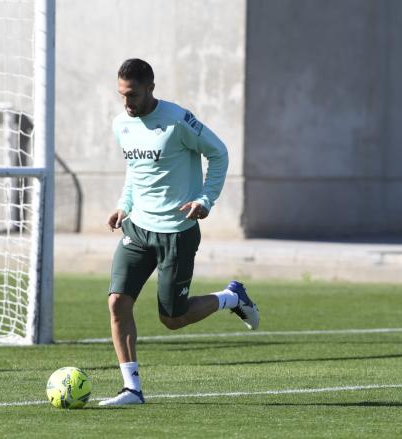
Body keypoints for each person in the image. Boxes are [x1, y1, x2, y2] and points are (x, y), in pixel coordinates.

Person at [99, 58, 259, 406]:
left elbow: (218, 153)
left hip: (177, 232)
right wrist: (124, 205)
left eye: (134, 95)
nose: (128, 103)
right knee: (117, 302)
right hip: (137, 228)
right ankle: (132, 389)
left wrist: (206, 199)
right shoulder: (121, 124)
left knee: (173, 318)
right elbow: (135, 169)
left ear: (151, 88)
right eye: (122, 95)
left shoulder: (177, 121)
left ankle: (231, 298)